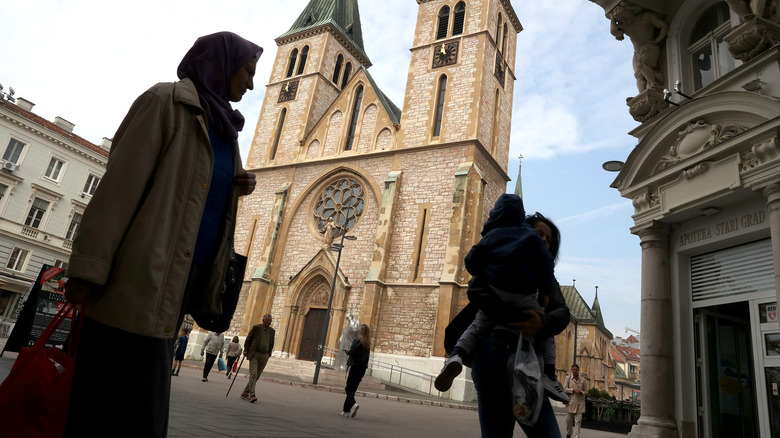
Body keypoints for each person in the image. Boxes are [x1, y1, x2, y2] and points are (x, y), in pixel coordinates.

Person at [62, 31, 261, 437]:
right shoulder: (166, 102)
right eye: (247, 71)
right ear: (222, 65)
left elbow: (198, 193)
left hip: (178, 287)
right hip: (135, 280)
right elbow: (119, 189)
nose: (252, 83)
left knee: (142, 411)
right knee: (104, 408)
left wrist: (234, 185)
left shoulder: (227, 131)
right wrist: (87, 268)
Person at [436, 195, 567, 403]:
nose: (543, 239)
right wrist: (521, 318)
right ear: (522, 229)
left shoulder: (544, 274)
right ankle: (550, 375)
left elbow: (563, 313)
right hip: (496, 351)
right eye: (539, 233)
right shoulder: (537, 269)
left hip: (525, 359)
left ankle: (457, 356)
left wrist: (541, 323)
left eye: (549, 239)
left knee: (477, 326)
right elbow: (475, 290)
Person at [241, 314, 275, 403]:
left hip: (264, 356)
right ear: (263, 320)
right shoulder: (257, 328)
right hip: (255, 354)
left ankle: (245, 392)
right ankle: (251, 394)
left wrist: (269, 354)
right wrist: (246, 349)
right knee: (253, 374)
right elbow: (248, 339)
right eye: (267, 320)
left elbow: (271, 343)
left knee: (257, 376)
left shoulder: (272, 331)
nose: (269, 322)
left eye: (270, 321)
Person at [341, 324, 371, 418]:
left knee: (348, 388)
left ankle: (354, 404)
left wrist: (347, 351)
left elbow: (352, 352)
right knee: (352, 389)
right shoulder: (367, 343)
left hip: (355, 367)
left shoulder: (357, 340)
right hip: (362, 369)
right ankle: (346, 410)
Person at [563, 364, 587, 438]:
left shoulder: (583, 380)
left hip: (580, 404)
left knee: (578, 422)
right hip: (570, 403)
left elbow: (586, 391)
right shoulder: (568, 378)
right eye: (573, 369)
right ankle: (569, 433)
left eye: (576, 370)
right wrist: (572, 390)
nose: (574, 371)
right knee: (568, 421)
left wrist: (581, 392)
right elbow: (564, 389)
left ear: (578, 370)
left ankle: (576, 436)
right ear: (571, 370)